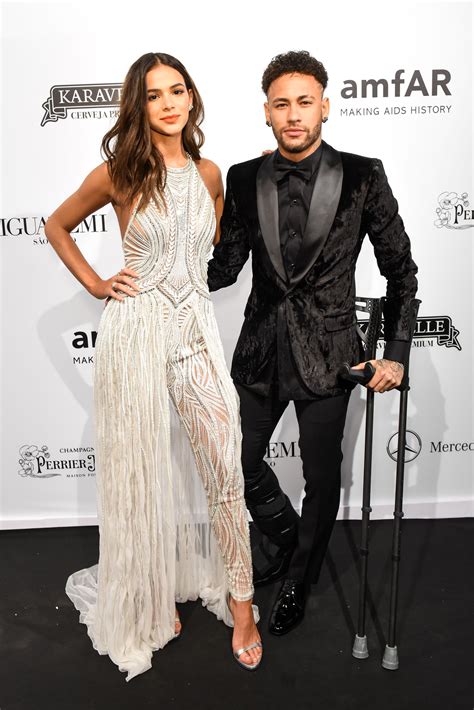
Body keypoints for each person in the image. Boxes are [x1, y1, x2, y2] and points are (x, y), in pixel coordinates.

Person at [45, 52, 262, 680]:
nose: (168, 103)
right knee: (142, 474)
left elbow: (206, 257)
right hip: (133, 333)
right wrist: (94, 283)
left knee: (223, 462)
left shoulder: (210, 173)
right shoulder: (117, 172)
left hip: (194, 333)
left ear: (191, 97)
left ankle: (242, 607)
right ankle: (148, 598)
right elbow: (57, 224)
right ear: (137, 107)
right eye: (152, 95)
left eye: (177, 90)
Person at [207, 50, 418, 636]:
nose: (293, 114)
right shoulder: (243, 177)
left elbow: (401, 271)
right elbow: (224, 267)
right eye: (282, 104)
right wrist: (158, 272)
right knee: (236, 462)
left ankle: (300, 574)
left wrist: (395, 355)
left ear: (325, 105)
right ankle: (288, 535)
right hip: (258, 352)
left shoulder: (364, 173)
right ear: (266, 114)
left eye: (305, 102)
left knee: (323, 477)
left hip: (331, 355)